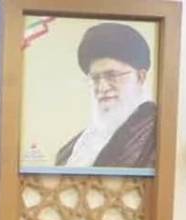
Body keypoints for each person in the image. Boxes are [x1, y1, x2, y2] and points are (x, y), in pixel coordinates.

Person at [55, 22, 157, 169]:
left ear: (140, 77)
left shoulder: (156, 133)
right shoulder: (69, 151)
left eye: (112, 76)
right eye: (95, 78)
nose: (102, 87)